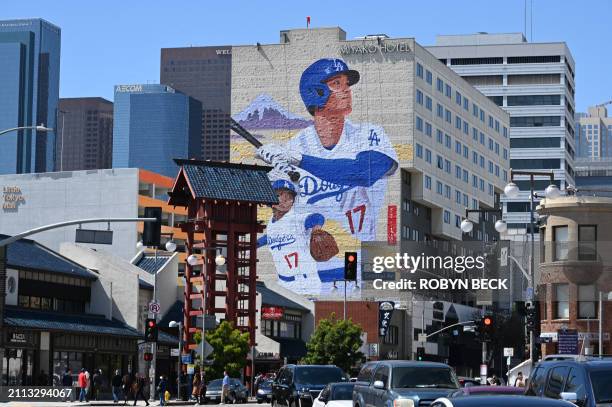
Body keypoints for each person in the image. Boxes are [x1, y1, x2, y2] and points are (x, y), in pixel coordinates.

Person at [256, 58, 399, 243]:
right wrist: (267, 173)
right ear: (316, 92)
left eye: (347, 84)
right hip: (307, 262)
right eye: (337, 83)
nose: (347, 89)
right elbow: (278, 207)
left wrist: (298, 159)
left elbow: (363, 172)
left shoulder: (368, 134)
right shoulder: (295, 145)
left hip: (356, 256)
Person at [257, 179, 333, 294]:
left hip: (305, 282)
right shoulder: (272, 224)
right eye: (279, 195)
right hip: (283, 283)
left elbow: (317, 217)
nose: (284, 200)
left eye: (288, 197)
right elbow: (269, 237)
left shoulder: (296, 219)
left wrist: (316, 228)